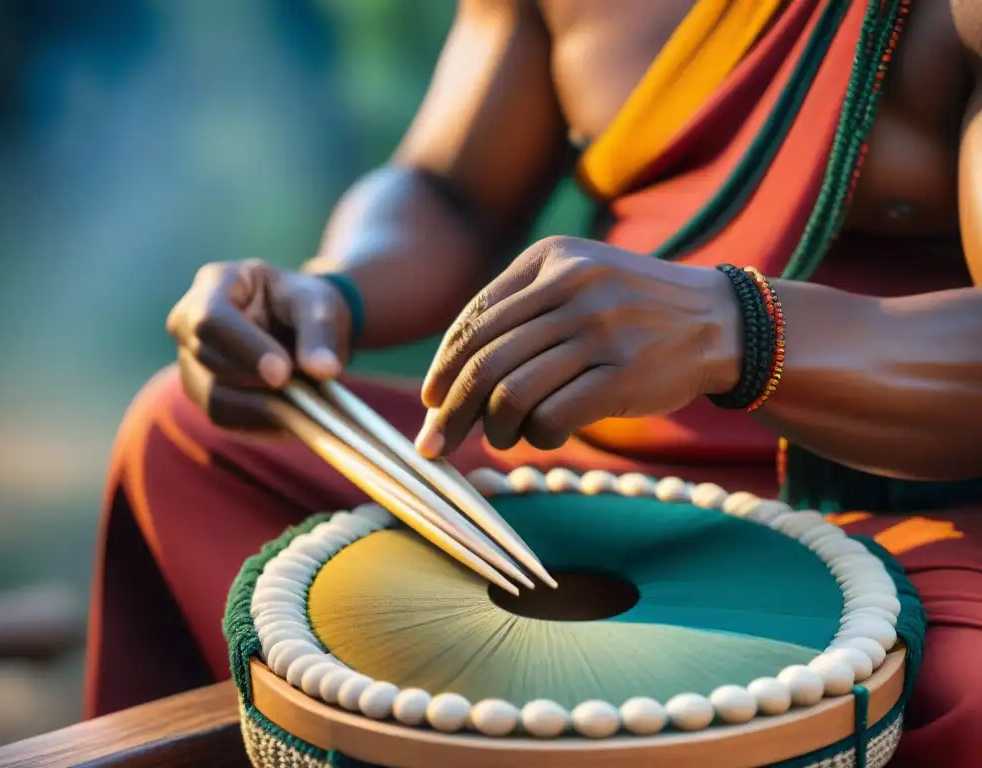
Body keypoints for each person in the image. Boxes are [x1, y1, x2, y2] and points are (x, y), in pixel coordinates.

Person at [85, 0, 982, 764]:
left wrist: (735, 327)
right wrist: (328, 294)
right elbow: (450, 188)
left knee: (960, 689)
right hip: (596, 468)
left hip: (893, 500)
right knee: (189, 435)